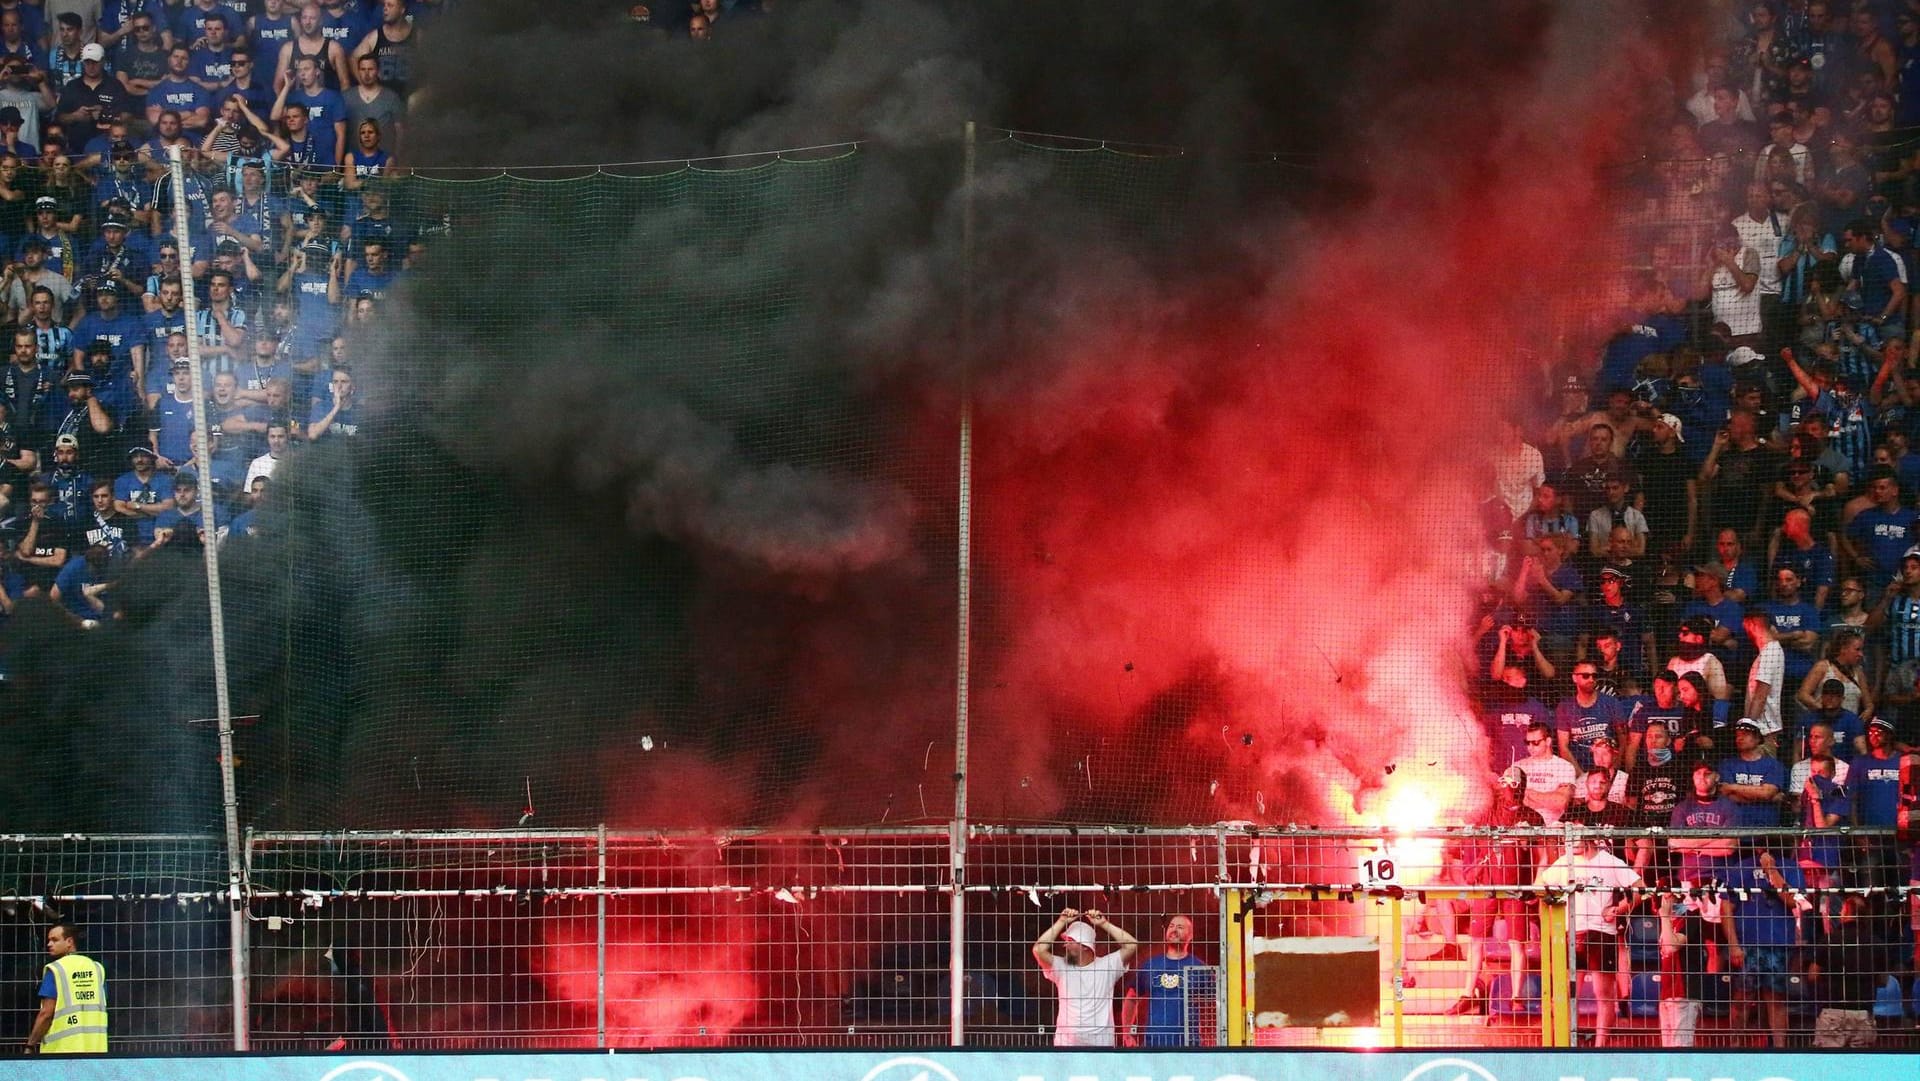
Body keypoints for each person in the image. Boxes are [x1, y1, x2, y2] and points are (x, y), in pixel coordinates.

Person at [1535, 833, 1643, 1046]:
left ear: (1588, 839)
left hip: (1601, 932)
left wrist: (1618, 908)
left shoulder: (1609, 861)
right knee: (1565, 991)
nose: (1569, 845)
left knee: (1602, 993)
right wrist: (1544, 878)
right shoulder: (1565, 861)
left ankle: (1600, 1046)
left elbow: (1639, 888)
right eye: (1567, 841)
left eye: (1573, 840)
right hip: (1571, 931)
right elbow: (1540, 885)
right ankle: (1565, 1042)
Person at [1032, 908, 1137, 1047]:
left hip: (1101, 1044)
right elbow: (1038, 950)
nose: (1065, 945)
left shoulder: (1107, 965)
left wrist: (1104, 924)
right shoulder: (1061, 966)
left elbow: (1132, 945)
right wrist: (1061, 922)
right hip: (1066, 1044)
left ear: (1085, 946)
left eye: (1070, 940)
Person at [1119, 915, 1207, 1047]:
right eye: (1171, 926)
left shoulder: (1199, 967)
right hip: (1154, 1045)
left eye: (1180, 927)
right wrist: (1127, 1033)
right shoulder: (1151, 965)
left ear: (1190, 935)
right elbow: (1131, 997)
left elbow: (1216, 1003)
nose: (1174, 929)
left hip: (1190, 1046)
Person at [26, 920, 106, 1053]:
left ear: (69, 941)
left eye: (54, 940)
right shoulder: (97, 968)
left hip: (61, 1052)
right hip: (96, 1048)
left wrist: (30, 1045)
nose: (49, 944)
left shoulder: (56, 970)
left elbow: (46, 1014)